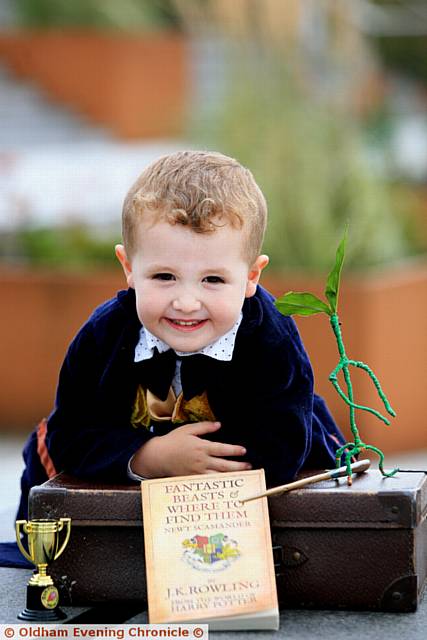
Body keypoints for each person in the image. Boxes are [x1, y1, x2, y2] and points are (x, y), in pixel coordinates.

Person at [17, 150, 345, 519]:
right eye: (164, 277)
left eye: (213, 280)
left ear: (252, 276)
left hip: (247, 503)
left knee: (314, 472)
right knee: (45, 447)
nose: (187, 302)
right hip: (123, 500)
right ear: (129, 267)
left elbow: (282, 444)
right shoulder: (104, 335)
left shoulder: (270, 339)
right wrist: (149, 457)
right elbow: (71, 434)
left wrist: (196, 466)